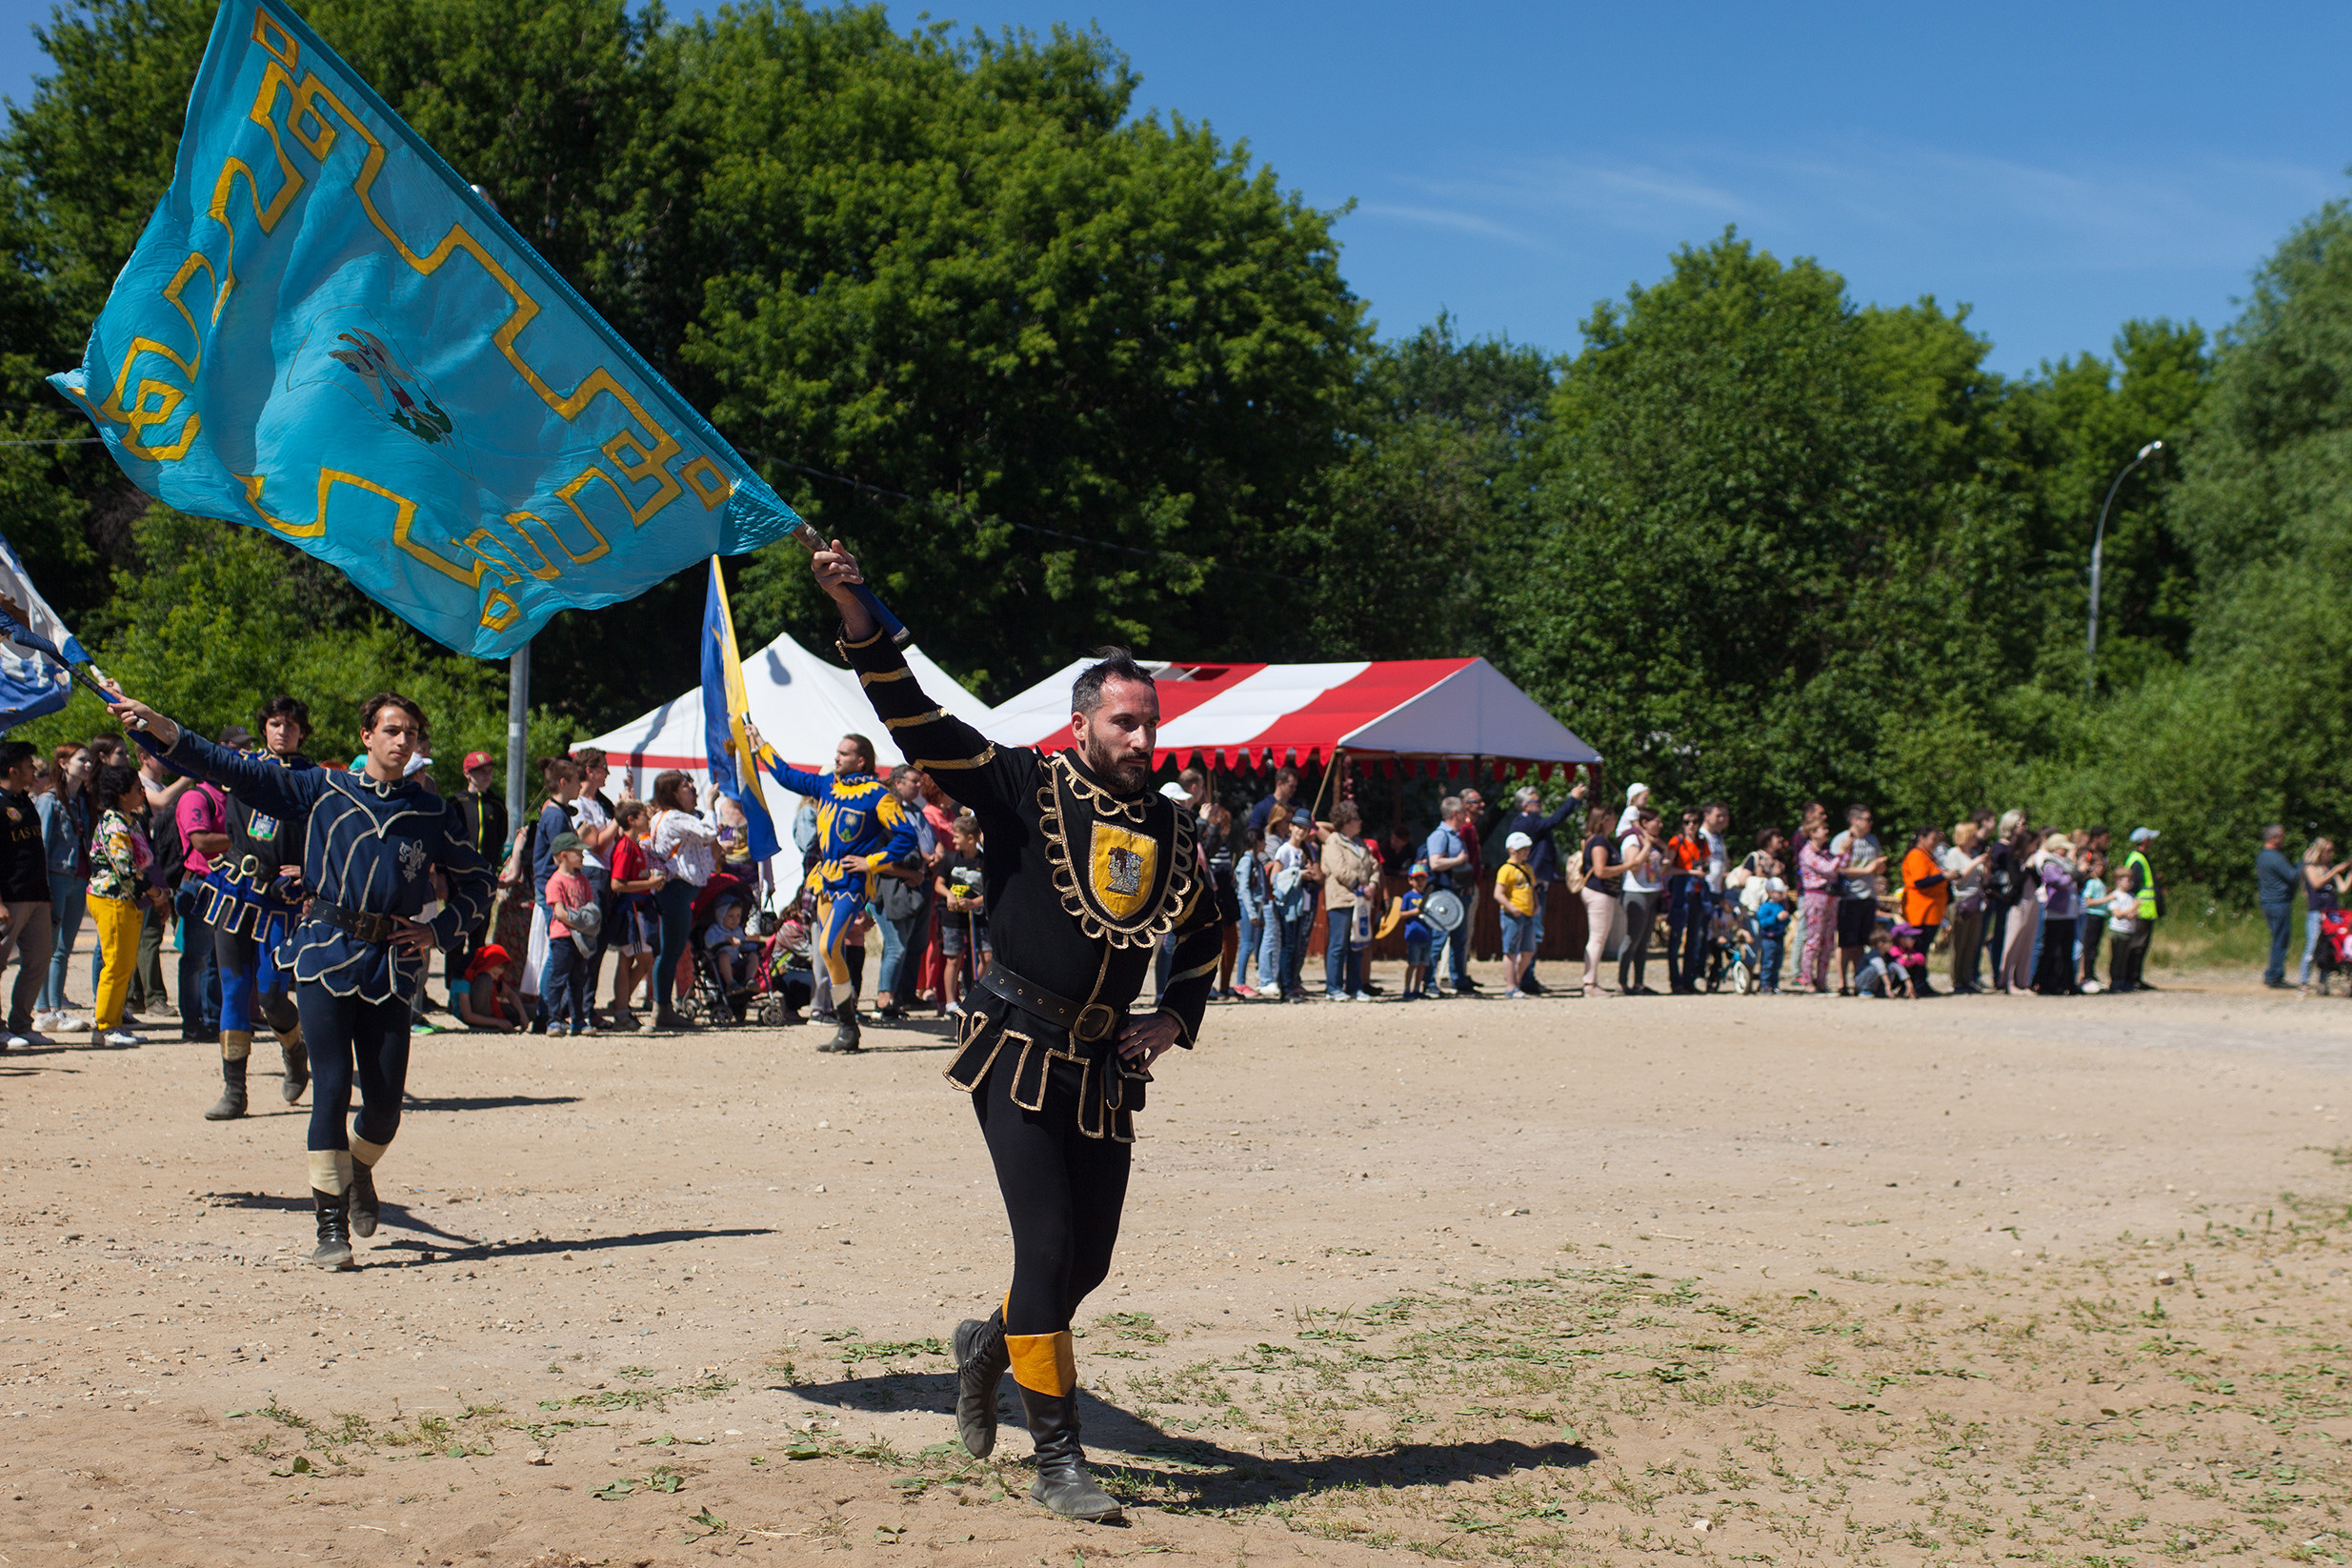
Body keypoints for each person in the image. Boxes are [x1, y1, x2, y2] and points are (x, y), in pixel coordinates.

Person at [816, 538, 1218, 1523]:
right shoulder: (1020, 784)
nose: (1141, 736)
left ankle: (986, 1346)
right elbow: (911, 714)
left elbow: (1210, 924)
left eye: (1150, 722)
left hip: (1105, 1061)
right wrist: (858, 609)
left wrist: (1174, 1014)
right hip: (1017, 1047)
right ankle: (1061, 1460)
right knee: (1045, 1248)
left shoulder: (1173, 828)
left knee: (1088, 1264)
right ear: (1082, 721)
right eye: (1124, 721)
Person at [101, 684, 493, 1271]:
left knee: (384, 1107)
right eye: (390, 730)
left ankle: (358, 1168)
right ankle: (329, 1226)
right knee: (332, 1089)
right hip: (324, 954)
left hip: (391, 966)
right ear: (366, 737)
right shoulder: (324, 787)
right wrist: (159, 726)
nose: (402, 739)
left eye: (410, 732)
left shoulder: (435, 811)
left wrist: (440, 931)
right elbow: (229, 766)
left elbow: (479, 882)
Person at [745, 723, 917, 1053]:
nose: (836, 757)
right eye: (837, 752)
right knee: (830, 950)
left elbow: (906, 836)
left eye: (843, 753)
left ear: (861, 760)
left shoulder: (879, 796)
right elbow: (786, 776)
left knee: (826, 947)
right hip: (824, 880)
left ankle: (847, 1025)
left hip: (852, 883)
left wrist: (873, 862)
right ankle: (847, 1029)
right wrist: (761, 744)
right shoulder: (827, 785)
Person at [193, 699, 314, 1119]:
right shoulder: (242, 768)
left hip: (282, 901)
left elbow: (331, 835)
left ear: (303, 732)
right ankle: (234, 1091)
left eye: (292, 725)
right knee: (233, 990)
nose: (283, 731)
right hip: (234, 892)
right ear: (264, 728)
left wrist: (309, 871)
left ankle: (296, 1051)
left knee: (272, 996)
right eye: (275, 724)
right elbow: (187, 752)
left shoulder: (314, 780)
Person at [1502, 779, 1589, 996]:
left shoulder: (1529, 822)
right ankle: (1523, 981)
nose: (1540, 804)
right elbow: (1555, 820)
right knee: (1527, 937)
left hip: (1535, 885)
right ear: (1525, 806)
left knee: (1531, 937)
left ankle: (1524, 980)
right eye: (1536, 801)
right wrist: (1573, 800)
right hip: (1530, 889)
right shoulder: (1526, 822)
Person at [647, 770, 719, 1030]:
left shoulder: (668, 817)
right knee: (671, 952)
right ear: (672, 794)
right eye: (685, 785)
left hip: (677, 889)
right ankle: (662, 1010)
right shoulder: (674, 818)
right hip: (676, 890)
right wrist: (711, 804)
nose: (692, 787)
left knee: (671, 951)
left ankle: (663, 1009)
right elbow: (709, 832)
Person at [0, 741, 54, 1049]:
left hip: (36, 895)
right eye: (28, 765)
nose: (34, 769)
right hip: (10, 898)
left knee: (38, 959)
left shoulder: (26, 801)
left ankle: (22, 1024)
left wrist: (46, 894)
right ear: (12, 769)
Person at [34, 744, 91, 1034]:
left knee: (64, 947)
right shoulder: (49, 800)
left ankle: (55, 1008)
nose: (88, 765)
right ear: (63, 763)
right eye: (82, 760)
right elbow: (40, 846)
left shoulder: (82, 802)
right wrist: (41, 886)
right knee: (50, 946)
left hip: (79, 878)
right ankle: (46, 1009)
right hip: (56, 876)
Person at [603, 799, 666, 1031]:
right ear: (632, 820)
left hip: (640, 908)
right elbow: (617, 884)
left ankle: (621, 1007)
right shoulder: (626, 847)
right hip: (633, 911)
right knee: (641, 958)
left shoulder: (634, 845)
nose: (648, 819)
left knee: (631, 959)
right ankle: (621, 1008)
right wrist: (649, 882)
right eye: (644, 815)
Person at [541, 832, 597, 1037]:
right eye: (578, 852)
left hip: (580, 939)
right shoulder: (556, 881)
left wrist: (589, 923)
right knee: (559, 978)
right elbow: (559, 912)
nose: (582, 856)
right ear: (563, 855)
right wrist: (581, 922)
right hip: (563, 937)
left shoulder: (583, 880)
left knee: (578, 980)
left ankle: (578, 1021)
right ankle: (554, 1020)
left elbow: (590, 906)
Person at [1319, 802, 1376, 1001]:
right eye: (1355, 818)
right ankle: (1333, 988)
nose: (1360, 821)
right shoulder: (1333, 842)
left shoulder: (1360, 843)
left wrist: (1373, 885)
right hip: (1341, 900)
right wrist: (1359, 884)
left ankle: (1354, 986)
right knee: (1338, 945)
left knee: (1357, 944)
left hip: (1360, 902)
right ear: (1345, 822)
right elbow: (1339, 869)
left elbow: (1374, 866)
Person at [935, 812, 988, 1015]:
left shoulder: (984, 861)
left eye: (957, 837)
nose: (953, 840)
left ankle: (978, 995)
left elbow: (992, 890)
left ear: (971, 838)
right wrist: (949, 895)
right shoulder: (950, 859)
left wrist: (974, 902)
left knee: (986, 955)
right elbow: (939, 884)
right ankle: (950, 1002)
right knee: (953, 957)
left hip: (978, 917)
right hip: (953, 917)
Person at [1829, 805, 1884, 996]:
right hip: (1849, 897)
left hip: (1869, 896)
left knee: (1861, 942)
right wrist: (1867, 870)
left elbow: (1875, 866)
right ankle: (1841, 982)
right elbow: (1835, 869)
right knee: (1846, 942)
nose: (1871, 823)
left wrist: (1878, 868)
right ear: (1855, 821)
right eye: (1867, 819)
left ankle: (1858, 981)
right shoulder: (1841, 840)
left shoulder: (1872, 840)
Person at [1422, 798, 1473, 996]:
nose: (1465, 816)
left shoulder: (1456, 836)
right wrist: (1458, 861)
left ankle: (1459, 980)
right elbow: (1435, 863)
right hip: (1444, 895)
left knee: (1459, 942)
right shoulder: (1439, 835)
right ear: (1454, 814)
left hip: (1459, 894)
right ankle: (1428, 981)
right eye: (1462, 812)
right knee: (1438, 939)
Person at [1617, 807, 1665, 995]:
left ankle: (1638, 983)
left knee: (1644, 940)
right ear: (1644, 822)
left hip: (1653, 891)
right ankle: (1621, 982)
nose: (1660, 825)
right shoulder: (1632, 839)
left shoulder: (1653, 841)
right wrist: (1646, 845)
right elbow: (1634, 865)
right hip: (1636, 892)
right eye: (1657, 821)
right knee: (1632, 938)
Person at [1795, 820, 1845, 995]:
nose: (1827, 831)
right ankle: (1807, 980)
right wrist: (1842, 854)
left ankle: (1822, 981)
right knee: (1813, 940)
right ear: (1812, 833)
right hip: (1815, 896)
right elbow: (1829, 870)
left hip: (1830, 897)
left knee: (1828, 941)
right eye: (1823, 829)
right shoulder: (1807, 853)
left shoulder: (1825, 853)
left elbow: (1840, 867)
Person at [2109, 828, 2161, 994]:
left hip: (2144, 910)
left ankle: (2134, 978)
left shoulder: (2140, 858)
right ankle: (2130, 978)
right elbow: (2135, 886)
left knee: (2140, 945)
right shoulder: (2137, 859)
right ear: (2144, 840)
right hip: (2139, 910)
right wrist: (2132, 907)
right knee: (2135, 946)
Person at [1899, 826, 1949, 995]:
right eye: (1933, 839)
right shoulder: (1916, 855)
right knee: (1917, 950)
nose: (1935, 843)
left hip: (1931, 911)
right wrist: (1944, 876)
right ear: (1922, 838)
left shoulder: (1928, 855)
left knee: (1923, 950)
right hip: (1919, 911)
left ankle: (1920, 982)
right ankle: (1915, 984)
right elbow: (1920, 881)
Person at [1578, 806, 1623, 994]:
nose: (1615, 821)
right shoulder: (1598, 842)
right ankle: (1590, 983)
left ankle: (1591, 981)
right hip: (1599, 893)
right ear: (1604, 820)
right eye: (1613, 817)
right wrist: (1628, 866)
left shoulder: (1599, 840)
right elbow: (1600, 871)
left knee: (1598, 938)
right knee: (1597, 938)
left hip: (1602, 893)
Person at [2032, 832, 2082, 995]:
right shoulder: (2050, 863)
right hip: (2056, 912)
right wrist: (2071, 875)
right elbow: (2057, 882)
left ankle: (2067, 982)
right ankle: (2045, 981)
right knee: (2051, 949)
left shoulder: (2065, 863)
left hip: (2069, 912)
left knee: (2067, 949)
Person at [1941, 822, 1988, 995]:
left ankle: (1966, 978)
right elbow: (1957, 879)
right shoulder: (1954, 854)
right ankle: (1955, 980)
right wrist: (1975, 863)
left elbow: (1982, 878)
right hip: (1961, 902)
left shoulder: (1974, 853)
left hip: (1976, 901)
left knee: (1972, 942)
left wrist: (1985, 866)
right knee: (1958, 943)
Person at [2301, 838, 2352, 990]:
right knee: (2312, 946)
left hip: (2332, 913)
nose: (2331, 854)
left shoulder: (2330, 867)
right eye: (2328, 850)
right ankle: (2304, 981)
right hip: (2317, 912)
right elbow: (2316, 883)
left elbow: (2342, 888)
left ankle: (2322, 981)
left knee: (2329, 946)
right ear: (2320, 851)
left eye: (2332, 850)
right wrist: (2335, 871)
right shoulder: (2311, 867)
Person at [1496, 831, 1539, 997]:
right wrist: (1511, 907)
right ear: (1512, 850)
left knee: (1528, 951)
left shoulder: (1528, 868)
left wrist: (1537, 904)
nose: (1526, 852)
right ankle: (1510, 986)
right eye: (1522, 849)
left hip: (1528, 914)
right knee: (1510, 950)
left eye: (1527, 849)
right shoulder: (1506, 869)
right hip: (1512, 915)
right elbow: (1498, 893)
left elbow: (1532, 888)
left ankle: (1517, 981)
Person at [2256, 824, 2298, 989]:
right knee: (2280, 939)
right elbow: (2292, 876)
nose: (2283, 840)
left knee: (2277, 938)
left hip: (2268, 901)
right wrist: (2304, 863)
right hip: (2278, 902)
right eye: (2281, 836)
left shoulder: (2262, 856)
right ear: (2273, 838)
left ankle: (2272, 974)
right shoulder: (2275, 857)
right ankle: (2274, 976)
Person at [1230, 823, 1269, 998]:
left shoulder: (1255, 861)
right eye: (1263, 841)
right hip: (1248, 908)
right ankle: (1240, 982)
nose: (1265, 845)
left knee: (1250, 944)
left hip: (1255, 907)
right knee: (1246, 944)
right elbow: (1244, 888)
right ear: (1257, 842)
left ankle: (1242, 981)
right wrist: (1252, 912)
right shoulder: (1247, 861)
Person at [451, 943, 526, 1032]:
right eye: (494, 973)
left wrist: (523, 1015)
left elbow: (510, 994)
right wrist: (497, 1022)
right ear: (487, 964)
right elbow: (468, 1016)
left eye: (498, 975)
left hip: (488, 1010)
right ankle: (484, 1026)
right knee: (485, 980)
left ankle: (492, 1023)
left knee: (530, 1011)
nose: (495, 978)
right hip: (471, 1014)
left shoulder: (491, 978)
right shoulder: (465, 978)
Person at [1392, 862, 1435, 999]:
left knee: (1423, 965)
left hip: (1426, 935)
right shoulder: (1408, 896)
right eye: (1417, 879)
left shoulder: (1429, 898)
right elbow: (1400, 914)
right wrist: (1414, 912)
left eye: (1423, 878)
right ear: (1410, 880)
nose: (1420, 882)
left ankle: (1417, 989)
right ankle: (1407, 989)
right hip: (1414, 935)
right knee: (1413, 964)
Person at [1754, 879, 1791, 993]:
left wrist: (1786, 918)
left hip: (1779, 938)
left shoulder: (1781, 906)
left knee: (1777, 964)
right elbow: (1762, 922)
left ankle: (1775, 985)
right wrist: (1776, 918)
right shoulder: (1765, 907)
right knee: (1767, 963)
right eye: (1779, 892)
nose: (1781, 895)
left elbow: (1786, 920)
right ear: (1770, 892)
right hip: (1768, 940)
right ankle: (1765, 985)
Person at [1246, 766, 1297, 840]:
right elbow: (1254, 832)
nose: (1294, 790)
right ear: (1279, 784)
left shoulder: (1296, 805)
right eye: (1291, 786)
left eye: (1295, 786)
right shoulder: (1262, 807)